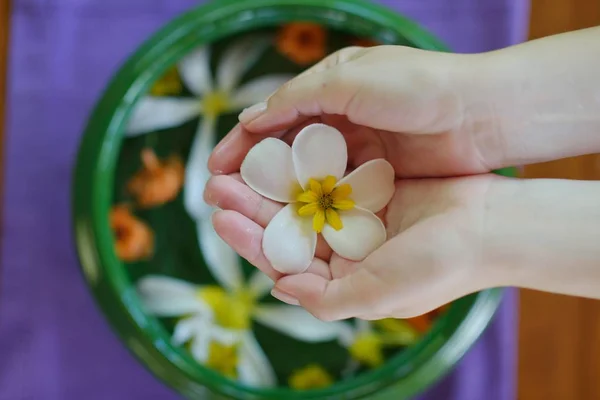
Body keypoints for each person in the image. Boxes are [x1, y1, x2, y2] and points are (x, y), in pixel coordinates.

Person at [203, 26, 600, 322]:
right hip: (314, 203)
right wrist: (471, 108)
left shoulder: (350, 177)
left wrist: (483, 238)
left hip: (321, 203)